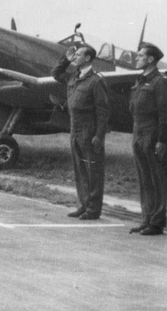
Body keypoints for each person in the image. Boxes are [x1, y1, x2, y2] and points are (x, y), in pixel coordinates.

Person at [51, 44, 109, 220]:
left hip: (89, 131)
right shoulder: (74, 77)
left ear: (88, 58)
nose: (75, 57)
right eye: (74, 55)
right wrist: (66, 59)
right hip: (75, 129)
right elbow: (55, 74)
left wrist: (99, 136)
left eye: (78, 55)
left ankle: (93, 209)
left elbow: (103, 111)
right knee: (80, 170)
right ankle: (84, 205)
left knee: (93, 171)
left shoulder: (96, 81)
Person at [128, 43, 167, 236]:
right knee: (144, 178)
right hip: (138, 130)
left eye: (140, 55)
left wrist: (162, 140)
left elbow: (164, 113)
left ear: (150, 59)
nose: (137, 58)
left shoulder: (159, 82)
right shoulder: (141, 81)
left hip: (151, 133)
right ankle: (147, 218)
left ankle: (157, 222)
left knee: (157, 177)